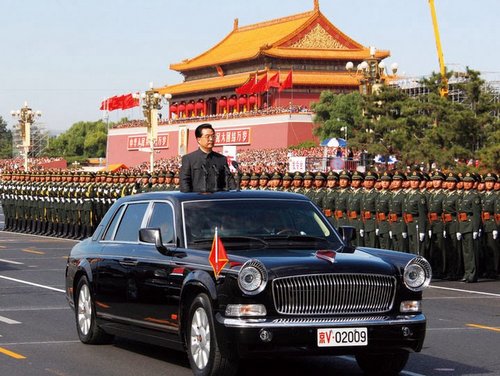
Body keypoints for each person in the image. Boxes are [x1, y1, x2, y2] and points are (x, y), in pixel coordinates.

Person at [180, 123, 236, 193]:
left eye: (213, 136)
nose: (211, 139)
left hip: (217, 200)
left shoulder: (221, 159)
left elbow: (229, 181)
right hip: (196, 200)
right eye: (207, 136)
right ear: (198, 139)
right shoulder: (189, 159)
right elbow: (185, 183)